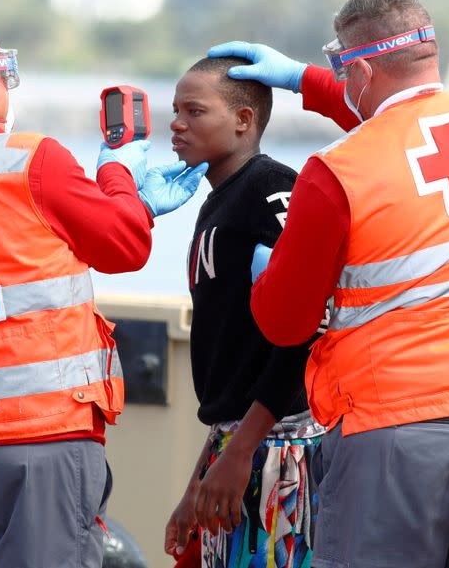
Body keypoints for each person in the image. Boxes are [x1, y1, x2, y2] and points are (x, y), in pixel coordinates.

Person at [209, 0, 449, 568]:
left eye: (344, 72)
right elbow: (412, 132)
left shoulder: (334, 174)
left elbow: (285, 323)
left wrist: (270, 275)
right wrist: (309, 81)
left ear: (360, 69)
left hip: (395, 441)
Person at [0, 19, 206, 568]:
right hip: (42, 443)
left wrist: (129, 205)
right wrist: (119, 176)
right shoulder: (31, 160)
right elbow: (124, 247)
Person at [163, 56, 325, 568]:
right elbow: (230, 370)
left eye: (194, 110)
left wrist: (240, 451)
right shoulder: (215, 201)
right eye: (175, 110)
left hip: (281, 448)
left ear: (243, 120)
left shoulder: (271, 188)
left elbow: (307, 327)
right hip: (236, 443)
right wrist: (198, 481)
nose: (176, 123)